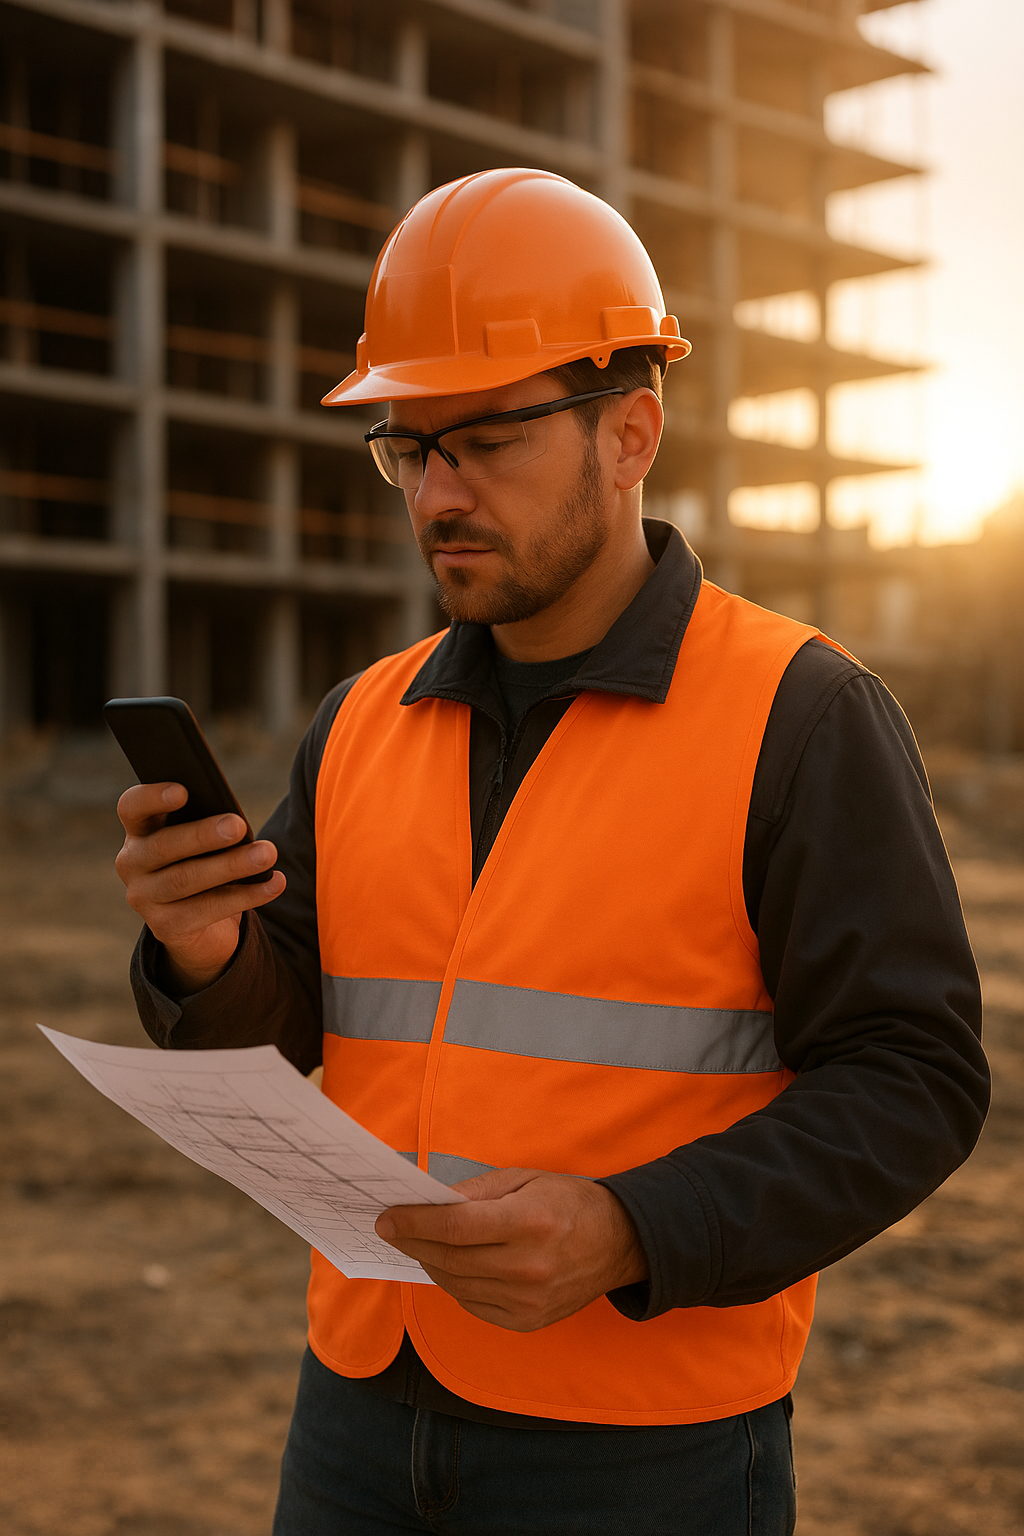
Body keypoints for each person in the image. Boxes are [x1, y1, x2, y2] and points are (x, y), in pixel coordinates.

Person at [115, 169, 988, 1536]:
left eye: (486, 442)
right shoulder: (361, 718)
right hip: (358, 1410)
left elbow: (915, 1080)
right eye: (411, 448)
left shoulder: (801, 714)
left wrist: (632, 1228)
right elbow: (287, 1021)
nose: (438, 494)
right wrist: (204, 952)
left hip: (643, 1455)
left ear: (630, 432)